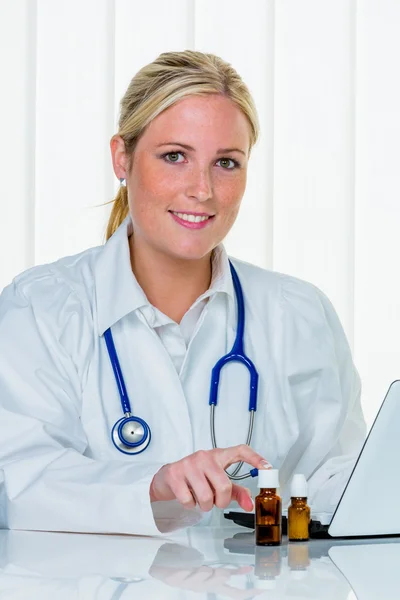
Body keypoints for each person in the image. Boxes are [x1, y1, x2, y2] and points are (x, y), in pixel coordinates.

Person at [0, 50, 366, 537]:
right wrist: (154, 485)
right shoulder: (40, 309)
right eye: (175, 156)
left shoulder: (298, 314)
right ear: (121, 158)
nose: (203, 189)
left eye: (227, 163)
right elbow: (18, 484)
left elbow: (340, 483)